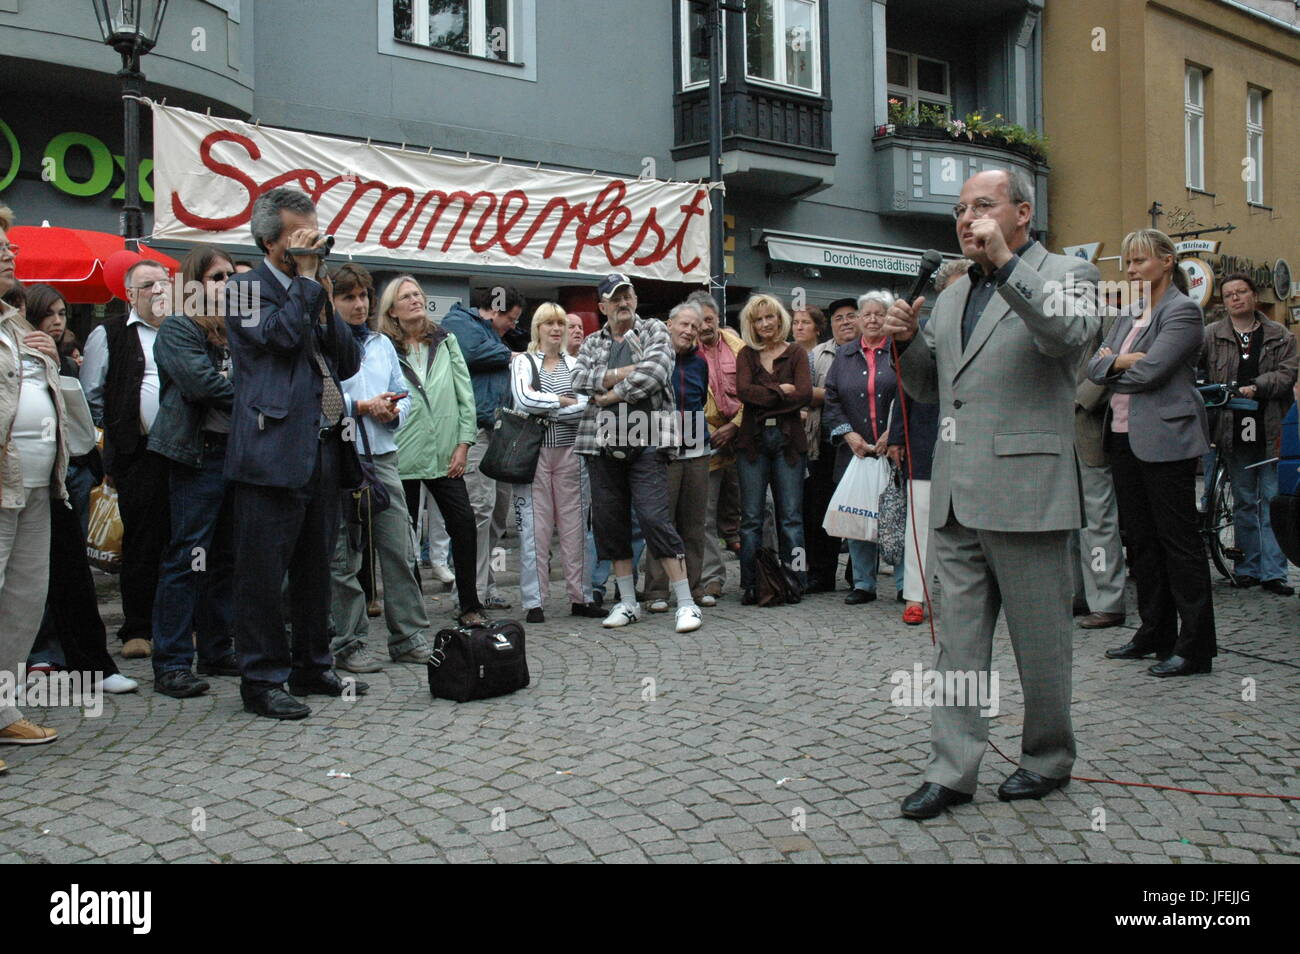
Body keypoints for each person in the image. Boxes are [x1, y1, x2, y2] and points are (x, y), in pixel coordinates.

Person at [883, 168, 1100, 819]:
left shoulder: (1069, 274)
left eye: (983, 205)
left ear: (1022, 214)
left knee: (1042, 646)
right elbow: (932, 388)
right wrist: (905, 347)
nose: (967, 218)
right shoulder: (950, 298)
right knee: (958, 648)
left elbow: (1065, 338)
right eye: (959, 209)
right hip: (956, 496)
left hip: (1029, 491)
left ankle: (1047, 757)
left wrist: (1006, 265)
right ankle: (952, 770)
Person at [224, 187, 365, 720]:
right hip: (270, 447)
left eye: (314, 232)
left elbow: (347, 363)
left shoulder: (315, 288)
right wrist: (306, 284)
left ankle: (313, 663)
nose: (312, 243)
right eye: (298, 236)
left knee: (315, 566)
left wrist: (324, 300)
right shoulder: (242, 289)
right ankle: (261, 679)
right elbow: (281, 340)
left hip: (325, 444)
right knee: (262, 572)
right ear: (269, 239)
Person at [1088, 229, 1218, 677]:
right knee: (1141, 542)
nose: (1131, 270)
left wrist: (1113, 366)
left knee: (1178, 543)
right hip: (1122, 437)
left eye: (1140, 261)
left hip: (1167, 439)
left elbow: (1154, 373)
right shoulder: (1129, 314)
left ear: (1166, 261)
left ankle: (1195, 646)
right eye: (1127, 263)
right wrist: (1120, 362)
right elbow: (1094, 365)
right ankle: (1154, 633)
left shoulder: (1182, 311)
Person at [572, 273, 702, 634]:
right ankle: (627, 602)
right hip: (599, 441)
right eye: (614, 298)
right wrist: (627, 371)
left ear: (635, 298)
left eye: (627, 295)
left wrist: (611, 391)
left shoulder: (655, 331)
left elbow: (657, 372)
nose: (622, 302)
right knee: (610, 522)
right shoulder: (593, 341)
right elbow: (578, 380)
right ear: (602, 306)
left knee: (653, 516)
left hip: (647, 437)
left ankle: (687, 603)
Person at [327, 264, 432, 672]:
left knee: (400, 549)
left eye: (363, 296)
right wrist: (362, 407)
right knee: (344, 556)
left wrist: (393, 411)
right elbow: (321, 398)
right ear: (332, 301)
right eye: (348, 297)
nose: (358, 304)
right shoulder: (323, 343)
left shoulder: (380, 343)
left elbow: (403, 397)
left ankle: (407, 636)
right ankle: (348, 641)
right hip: (339, 456)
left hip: (382, 455)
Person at [148, 245, 240, 698]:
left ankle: (218, 649)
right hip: (198, 455)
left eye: (229, 277)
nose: (226, 285)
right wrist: (253, 394)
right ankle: (171, 661)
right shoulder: (179, 329)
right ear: (193, 284)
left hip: (236, 455)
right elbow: (202, 384)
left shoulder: (239, 331)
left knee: (224, 557)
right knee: (186, 557)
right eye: (216, 277)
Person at [380, 275, 485, 629]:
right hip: (402, 454)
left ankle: (470, 603)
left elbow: (464, 394)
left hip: (444, 454)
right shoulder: (383, 346)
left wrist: (463, 443)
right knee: (404, 537)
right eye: (406, 296)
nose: (415, 300)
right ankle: (410, 609)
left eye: (418, 294)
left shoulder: (446, 340)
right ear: (392, 310)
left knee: (464, 526)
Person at [81, 258, 173, 660]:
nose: (158, 290)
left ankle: (176, 625)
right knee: (141, 542)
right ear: (130, 294)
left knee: (181, 542)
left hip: (184, 454)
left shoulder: (184, 329)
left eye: (164, 283)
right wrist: (113, 450)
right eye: (148, 284)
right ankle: (137, 627)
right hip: (138, 455)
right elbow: (90, 397)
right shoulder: (110, 333)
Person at [0, 204, 66, 752]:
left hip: (41, 482)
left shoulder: (15, 322)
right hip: (2, 481)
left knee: (24, 599)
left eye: (8, 242)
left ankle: (3, 708)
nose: (8, 251)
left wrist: (52, 364)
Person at [1202, 272, 1298, 594]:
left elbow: (1287, 373)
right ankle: (1248, 567)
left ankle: (1274, 572)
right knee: (1244, 499)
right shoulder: (1211, 335)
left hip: (1270, 423)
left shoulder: (1279, 334)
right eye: (1228, 294)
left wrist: (1257, 387)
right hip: (1233, 424)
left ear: (1254, 296)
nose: (1235, 298)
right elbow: (1198, 370)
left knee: (1271, 499)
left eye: (1241, 292)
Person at [888, 263, 967, 625]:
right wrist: (898, 438)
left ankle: (963, 597)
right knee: (919, 520)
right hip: (923, 435)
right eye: (948, 290)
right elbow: (905, 387)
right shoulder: (928, 330)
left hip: (972, 444)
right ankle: (915, 596)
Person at [509, 303, 595, 623]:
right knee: (535, 528)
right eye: (549, 324)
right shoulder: (524, 363)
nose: (556, 329)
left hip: (571, 453)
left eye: (560, 323)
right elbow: (523, 399)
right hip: (534, 456)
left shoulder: (576, 364)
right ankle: (534, 601)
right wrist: (561, 401)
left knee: (576, 528)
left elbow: (587, 406)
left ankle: (581, 596)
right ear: (537, 328)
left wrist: (546, 407)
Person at [442, 286, 525, 611]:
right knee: (478, 511)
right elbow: (471, 353)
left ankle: (485, 586)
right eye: (511, 319)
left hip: (498, 432)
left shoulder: (493, 336)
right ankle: (468, 593)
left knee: (495, 515)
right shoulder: (459, 322)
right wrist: (511, 355)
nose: (512, 327)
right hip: (473, 432)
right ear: (494, 309)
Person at [824, 291, 902, 605]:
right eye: (865, 314)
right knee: (859, 514)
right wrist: (848, 434)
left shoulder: (899, 351)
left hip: (893, 450)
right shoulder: (844, 355)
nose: (871, 319)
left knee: (897, 517)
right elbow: (831, 399)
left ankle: (903, 585)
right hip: (855, 451)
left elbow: (912, 395)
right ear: (858, 318)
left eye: (878, 314)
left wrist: (893, 434)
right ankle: (863, 584)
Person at [734, 293, 812, 604]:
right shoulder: (746, 355)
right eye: (758, 319)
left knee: (791, 518)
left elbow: (805, 394)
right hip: (751, 442)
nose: (765, 323)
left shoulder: (795, 353)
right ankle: (752, 584)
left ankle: (795, 582)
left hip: (789, 442)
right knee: (751, 519)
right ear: (751, 324)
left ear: (780, 319)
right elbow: (743, 392)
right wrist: (782, 392)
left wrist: (764, 397)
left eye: (770, 317)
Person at [1071, 264, 1129, 630]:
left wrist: (1078, 401)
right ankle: (1077, 594)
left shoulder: (1111, 319)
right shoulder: (1054, 318)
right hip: (1055, 431)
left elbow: (1113, 368)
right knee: (1065, 523)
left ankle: (1108, 601)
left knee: (1098, 521)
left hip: (1088, 427)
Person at [643, 301, 711, 612]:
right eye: (683, 324)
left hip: (697, 447)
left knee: (694, 524)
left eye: (694, 327)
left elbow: (699, 399)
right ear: (669, 325)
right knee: (661, 522)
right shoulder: (653, 358)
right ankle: (657, 591)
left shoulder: (700, 362)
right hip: (661, 450)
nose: (688, 331)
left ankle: (694, 587)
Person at [803, 298, 859, 593]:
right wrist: (836, 393)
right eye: (839, 318)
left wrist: (824, 393)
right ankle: (821, 574)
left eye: (852, 316)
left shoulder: (873, 352)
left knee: (860, 508)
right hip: (823, 443)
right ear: (832, 324)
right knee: (822, 510)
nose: (846, 322)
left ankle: (858, 577)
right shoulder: (816, 354)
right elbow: (803, 393)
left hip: (861, 445)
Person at [691, 289, 743, 602]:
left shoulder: (740, 346)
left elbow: (752, 392)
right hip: (705, 443)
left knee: (756, 510)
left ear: (718, 318)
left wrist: (734, 426)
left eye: (709, 319)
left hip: (742, 437)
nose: (705, 326)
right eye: (699, 321)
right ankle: (711, 579)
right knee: (704, 517)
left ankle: (759, 573)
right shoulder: (683, 350)